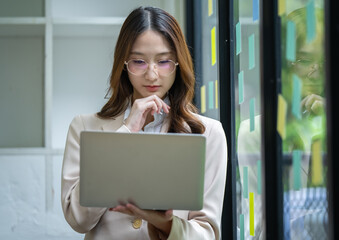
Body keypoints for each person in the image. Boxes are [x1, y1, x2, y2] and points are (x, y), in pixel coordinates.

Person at [61, 6, 228, 240]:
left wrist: (163, 223)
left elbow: (207, 234)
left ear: (178, 63)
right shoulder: (84, 127)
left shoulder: (208, 133)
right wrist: (126, 131)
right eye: (139, 61)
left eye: (164, 62)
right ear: (124, 64)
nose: (151, 75)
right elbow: (78, 220)